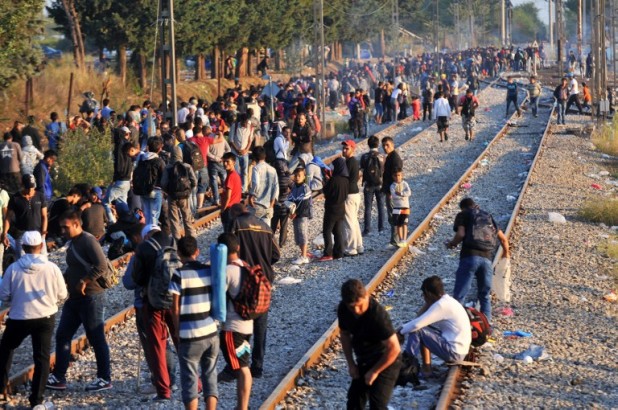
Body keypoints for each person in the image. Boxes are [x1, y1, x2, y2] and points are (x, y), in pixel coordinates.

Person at [46, 210, 112, 392]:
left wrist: (84, 280)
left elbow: (101, 265)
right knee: (62, 335)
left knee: (96, 337)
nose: (62, 231)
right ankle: (59, 377)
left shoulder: (88, 240)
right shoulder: (73, 242)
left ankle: (104, 377)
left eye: (65, 227)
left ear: (76, 224)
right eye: (61, 227)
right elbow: (74, 267)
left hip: (91, 297)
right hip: (74, 299)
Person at [0, 231, 66, 408]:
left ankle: (0, 389)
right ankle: (36, 401)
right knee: (42, 358)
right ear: (42, 246)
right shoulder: (52, 268)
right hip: (45, 317)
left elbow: (4, 296)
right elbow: (63, 294)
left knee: (6, 348)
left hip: (19, 316)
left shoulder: (13, 269)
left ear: (23, 247)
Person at [227, 203, 280, 378]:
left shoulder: (235, 225)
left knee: (242, 323)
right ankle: (257, 367)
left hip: (243, 278)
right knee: (260, 325)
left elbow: (229, 249)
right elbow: (276, 254)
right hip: (263, 280)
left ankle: (241, 364)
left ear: (234, 213)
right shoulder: (265, 226)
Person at [131, 223, 179, 401]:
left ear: (146, 235)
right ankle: (195, 384)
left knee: (157, 347)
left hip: (153, 304)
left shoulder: (144, 248)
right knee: (182, 343)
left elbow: (137, 278)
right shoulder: (174, 241)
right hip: (176, 301)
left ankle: (164, 391)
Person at [170, 236, 219, 410]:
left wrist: (177, 330)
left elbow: (174, 308)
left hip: (190, 335)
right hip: (211, 332)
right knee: (210, 376)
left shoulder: (178, 274)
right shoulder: (208, 270)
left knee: (190, 379)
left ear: (179, 254)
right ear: (197, 252)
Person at [338, 279, 401, 409]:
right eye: (351, 307)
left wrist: (375, 371)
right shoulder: (343, 309)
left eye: (359, 305)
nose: (356, 310)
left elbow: (394, 349)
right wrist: (351, 364)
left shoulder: (378, 316)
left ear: (367, 296)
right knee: (354, 402)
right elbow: (344, 335)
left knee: (377, 404)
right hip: (364, 358)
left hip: (386, 359)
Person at [445, 198, 510, 323]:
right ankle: (486, 327)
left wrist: (451, 244)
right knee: (484, 296)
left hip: (469, 256)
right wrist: (506, 254)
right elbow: (503, 239)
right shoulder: (487, 216)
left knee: (460, 295)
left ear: (463, 207)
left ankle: (456, 326)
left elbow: (461, 234)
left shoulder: (463, 214)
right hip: (487, 259)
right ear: (475, 205)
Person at [399, 276, 471, 376]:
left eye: (423, 295)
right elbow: (419, 319)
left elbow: (416, 324)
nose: (423, 297)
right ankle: (426, 370)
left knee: (418, 330)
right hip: (459, 350)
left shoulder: (441, 305)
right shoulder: (448, 301)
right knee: (423, 329)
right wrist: (427, 304)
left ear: (428, 293)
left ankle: (407, 366)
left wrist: (399, 331)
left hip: (454, 352)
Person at [217, 233, 253, 410]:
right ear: (238, 248)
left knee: (242, 367)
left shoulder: (227, 271)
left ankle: (243, 407)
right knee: (243, 364)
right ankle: (241, 406)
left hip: (233, 328)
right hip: (248, 326)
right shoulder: (246, 266)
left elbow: (218, 299)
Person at [4, 174, 48, 257]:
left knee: (42, 259)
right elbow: (8, 218)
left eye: (32, 187)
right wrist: (5, 233)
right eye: (28, 187)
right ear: (22, 185)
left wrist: (44, 234)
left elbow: (44, 216)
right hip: (22, 234)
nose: (31, 190)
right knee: (21, 260)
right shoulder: (15, 198)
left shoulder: (40, 196)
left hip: (38, 233)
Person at [161, 149, 197, 241]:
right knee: (187, 217)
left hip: (172, 197)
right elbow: (194, 181)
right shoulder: (187, 166)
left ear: (171, 155)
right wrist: (188, 190)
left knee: (174, 219)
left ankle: (177, 240)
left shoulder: (168, 167)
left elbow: (163, 183)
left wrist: (168, 192)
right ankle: (191, 237)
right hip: (185, 197)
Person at [320, 157, 349, 262]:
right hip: (341, 208)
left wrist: (326, 181)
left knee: (327, 231)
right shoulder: (346, 180)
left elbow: (326, 193)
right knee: (338, 232)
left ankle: (328, 253)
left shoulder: (334, 179)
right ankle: (339, 252)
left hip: (331, 209)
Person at [134, 137, 166, 226]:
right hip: (155, 191)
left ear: (148, 147)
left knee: (147, 216)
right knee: (154, 216)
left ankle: (147, 235)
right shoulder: (159, 161)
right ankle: (153, 235)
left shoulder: (141, 159)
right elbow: (164, 177)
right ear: (160, 148)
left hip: (143, 190)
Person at [341, 140, 363, 256]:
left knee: (349, 222)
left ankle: (351, 249)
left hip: (349, 195)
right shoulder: (353, 161)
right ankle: (359, 246)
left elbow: (345, 179)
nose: (344, 150)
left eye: (347, 148)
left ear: (353, 149)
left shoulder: (350, 162)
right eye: (343, 148)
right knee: (354, 221)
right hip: (354, 194)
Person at [360, 135, 385, 236]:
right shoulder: (382, 156)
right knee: (381, 206)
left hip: (368, 185)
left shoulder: (364, 157)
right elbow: (384, 170)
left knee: (368, 207)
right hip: (380, 184)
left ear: (368, 144)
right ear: (378, 144)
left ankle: (367, 229)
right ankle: (381, 228)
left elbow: (361, 170)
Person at [288, 166, 313, 265]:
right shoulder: (294, 187)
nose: (297, 177)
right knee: (297, 235)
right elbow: (290, 200)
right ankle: (302, 254)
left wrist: (296, 213)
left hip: (302, 215)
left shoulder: (305, 188)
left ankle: (304, 256)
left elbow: (305, 204)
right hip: (295, 215)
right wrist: (289, 212)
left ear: (304, 177)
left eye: (299, 176)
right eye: (296, 175)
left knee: (303, 234)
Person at [380, 137, 403, 248]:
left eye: (387, 145)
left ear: (392, 145)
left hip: (393, 192)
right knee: (393, 215)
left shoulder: (394, 158)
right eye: (383, 145)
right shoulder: (390, 157)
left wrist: (392, 192)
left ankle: (396, 240)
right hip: (390, 191)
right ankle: (395, 239)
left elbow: (397, 177)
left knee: (394, 216)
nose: (385, 147)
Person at [248, 146, 279, 225]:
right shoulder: (273, 169)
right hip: (268, 206)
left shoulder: (256, 168)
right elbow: (276, 187)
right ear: (264, 156)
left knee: (254, 230)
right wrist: (272, 203)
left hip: (257, 205)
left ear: (254, 157)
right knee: (266, 231)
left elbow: (256, 183)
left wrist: (251, 196)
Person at [229, 113, 254, 193]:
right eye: (245, 123)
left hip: (245, 153)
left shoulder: (250, 127)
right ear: (241, 121)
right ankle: (236, 187)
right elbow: (231, 140)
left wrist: (246, 150)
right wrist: (237, 150)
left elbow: (250, 140)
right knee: (236, 171)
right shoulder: (235, 126)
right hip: (235, 152)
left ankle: (243, 189)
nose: (246, 124)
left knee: (245, 171)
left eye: (247, 122)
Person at [220, 152, 242, 232]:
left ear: (234, 162)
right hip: (235, 208)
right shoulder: (235, 175)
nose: (225, 164)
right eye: (224, 162)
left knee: (228, 234)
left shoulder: (231, 176)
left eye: (227, 162)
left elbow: (228, 197)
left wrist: (223, 210)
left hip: (229, 209)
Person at [390, 168, 411, 248]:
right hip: (396, 207)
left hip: (405, 206)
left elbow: (409, 193)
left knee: (404, 223)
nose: (397, 177)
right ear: (393, 177)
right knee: (398, 224)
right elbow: (394, 196)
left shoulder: (405, 184)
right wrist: (402, 195)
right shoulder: (392, 186)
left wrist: (401, 193)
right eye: (395, 176)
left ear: (402, 176)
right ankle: (401, 238)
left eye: (399, 175)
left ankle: (404, 239)